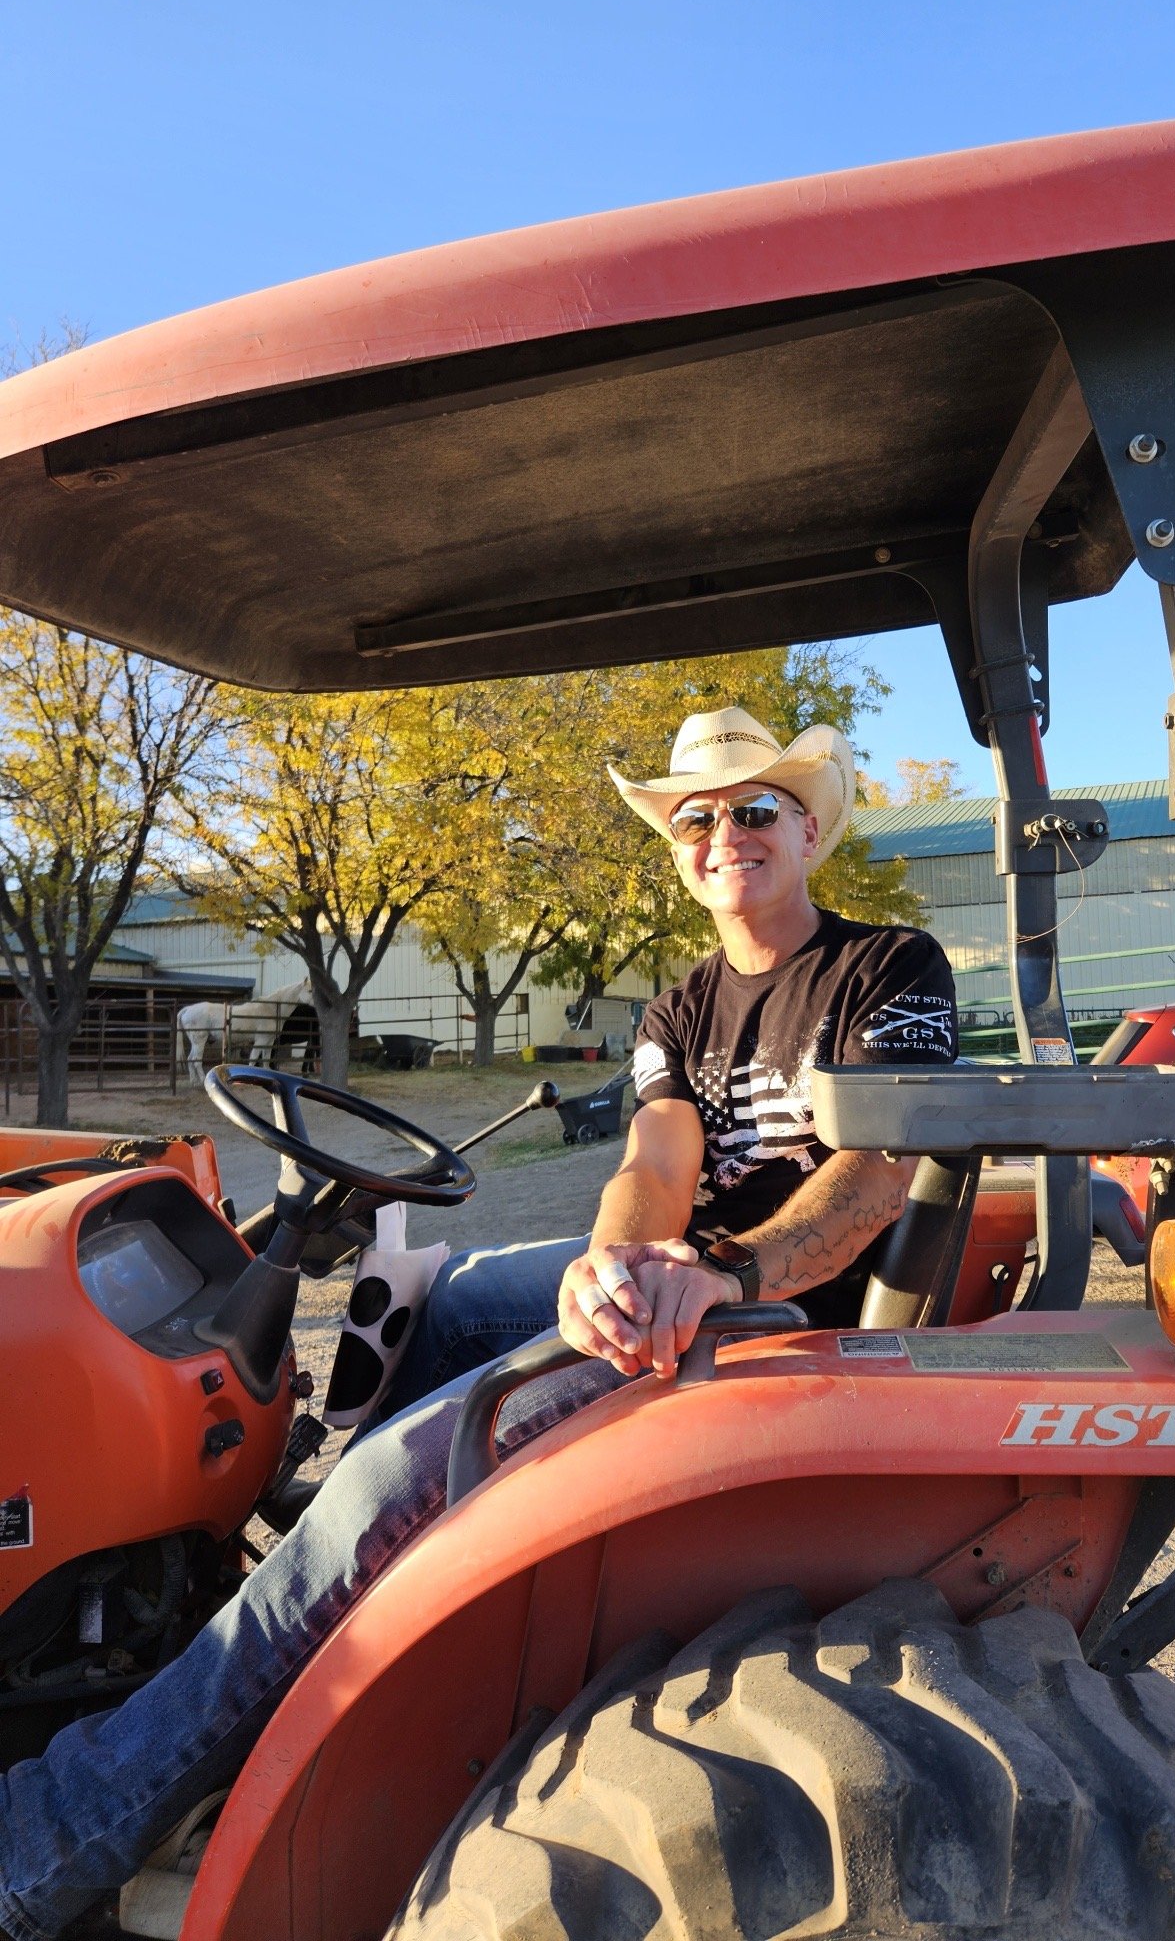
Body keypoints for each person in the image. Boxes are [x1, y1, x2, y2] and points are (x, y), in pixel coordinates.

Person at [0, 707, 956, 1940]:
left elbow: (876, 1171)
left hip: (773, 1312)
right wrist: (615, 1258)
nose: (727, 832)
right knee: (453, 1297)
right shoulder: (679, 1006)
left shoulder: (887, 967)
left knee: (375, 1487)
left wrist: (715, 1268)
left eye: (756, 807)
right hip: (682, 1280)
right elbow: (654, 1164)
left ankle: (50, 1838)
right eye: (698, 815)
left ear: (810, 826)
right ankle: (356, 1596)